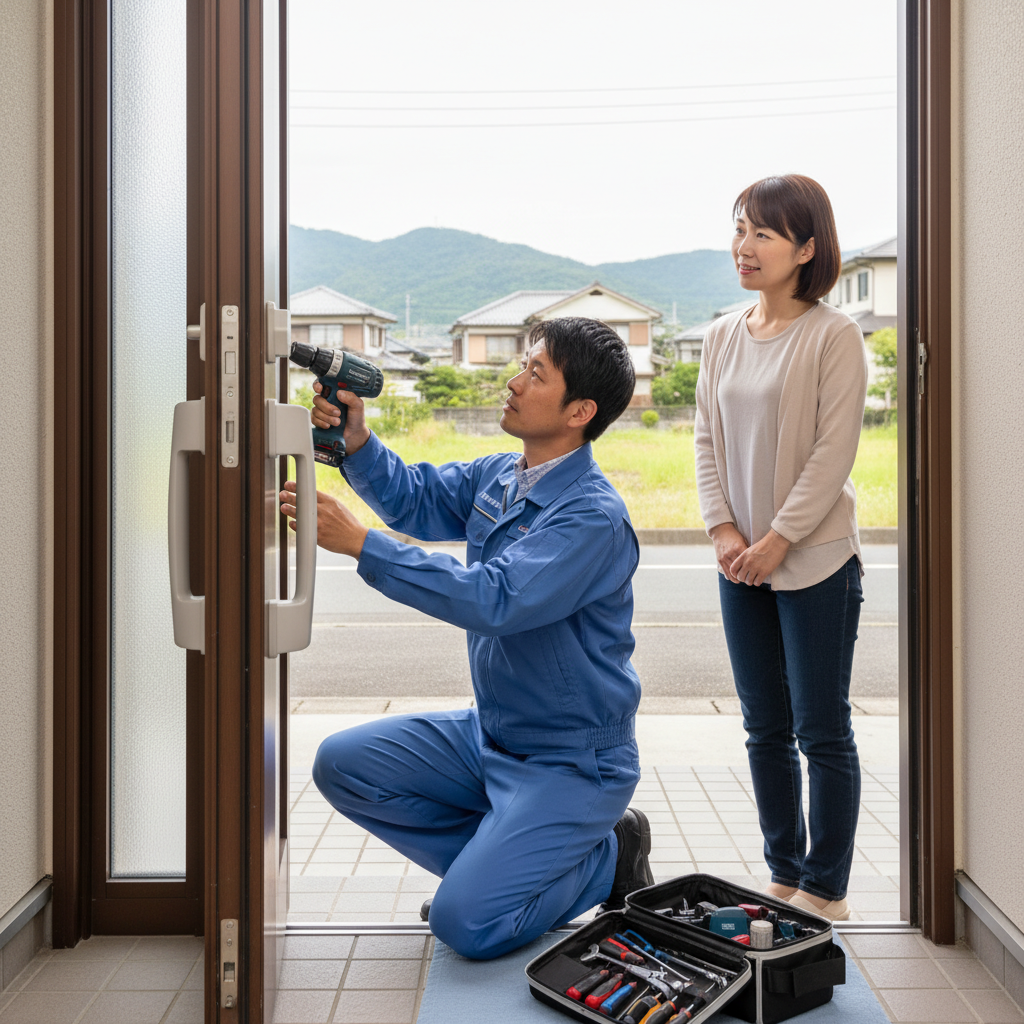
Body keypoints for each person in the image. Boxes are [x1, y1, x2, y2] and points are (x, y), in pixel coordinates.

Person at [279, 316, 653, 959]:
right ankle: (499, 871)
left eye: (535, 374)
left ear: (579, 411)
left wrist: (363, 545)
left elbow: (496, 599)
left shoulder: (592, 517)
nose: (513, 381)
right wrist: (360, 443)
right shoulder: (501, 475)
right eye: (521, 366)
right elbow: (416, 500)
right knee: (342, 764)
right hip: (492, 736)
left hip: (571, 761)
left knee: (464, 926)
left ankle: (609, 860)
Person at [694, 174, 868, 922]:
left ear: (805, 247)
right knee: (763, 724)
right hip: (740, 562)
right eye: (739, 228)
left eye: (763, 233)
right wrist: (726, 532)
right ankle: (783, 873)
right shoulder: (721, 334)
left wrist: (778, 539)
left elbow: (834, 453)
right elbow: (705, 437)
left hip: (817, 559)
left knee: (820, 728)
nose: (745, 245)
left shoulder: (834, 336)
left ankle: (825, 890)